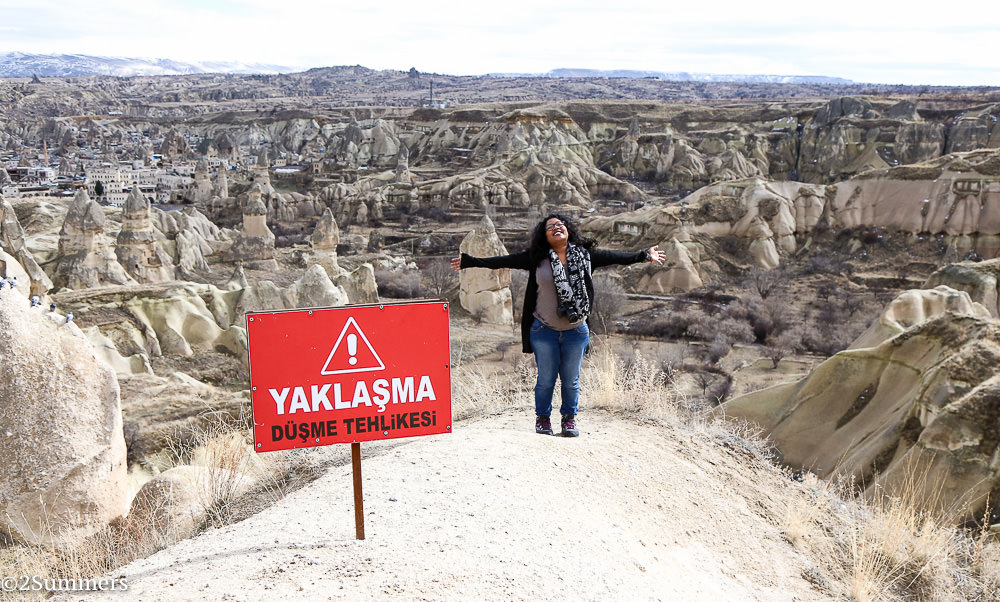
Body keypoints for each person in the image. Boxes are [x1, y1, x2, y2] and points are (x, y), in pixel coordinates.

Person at [452, 213, 664, 437]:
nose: (556, 228)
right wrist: (470, 261)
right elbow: (504, 261)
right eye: (550, 227)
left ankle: (569, 420)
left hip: (576, 331)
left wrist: (644, 255)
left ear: (568, 229)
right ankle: (543, 419)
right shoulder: (537, 258)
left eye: (560, 224)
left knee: (571, 382)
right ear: (544, 236)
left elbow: (616, 257)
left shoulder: (585, 255)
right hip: (544, 331)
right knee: (546, 380)